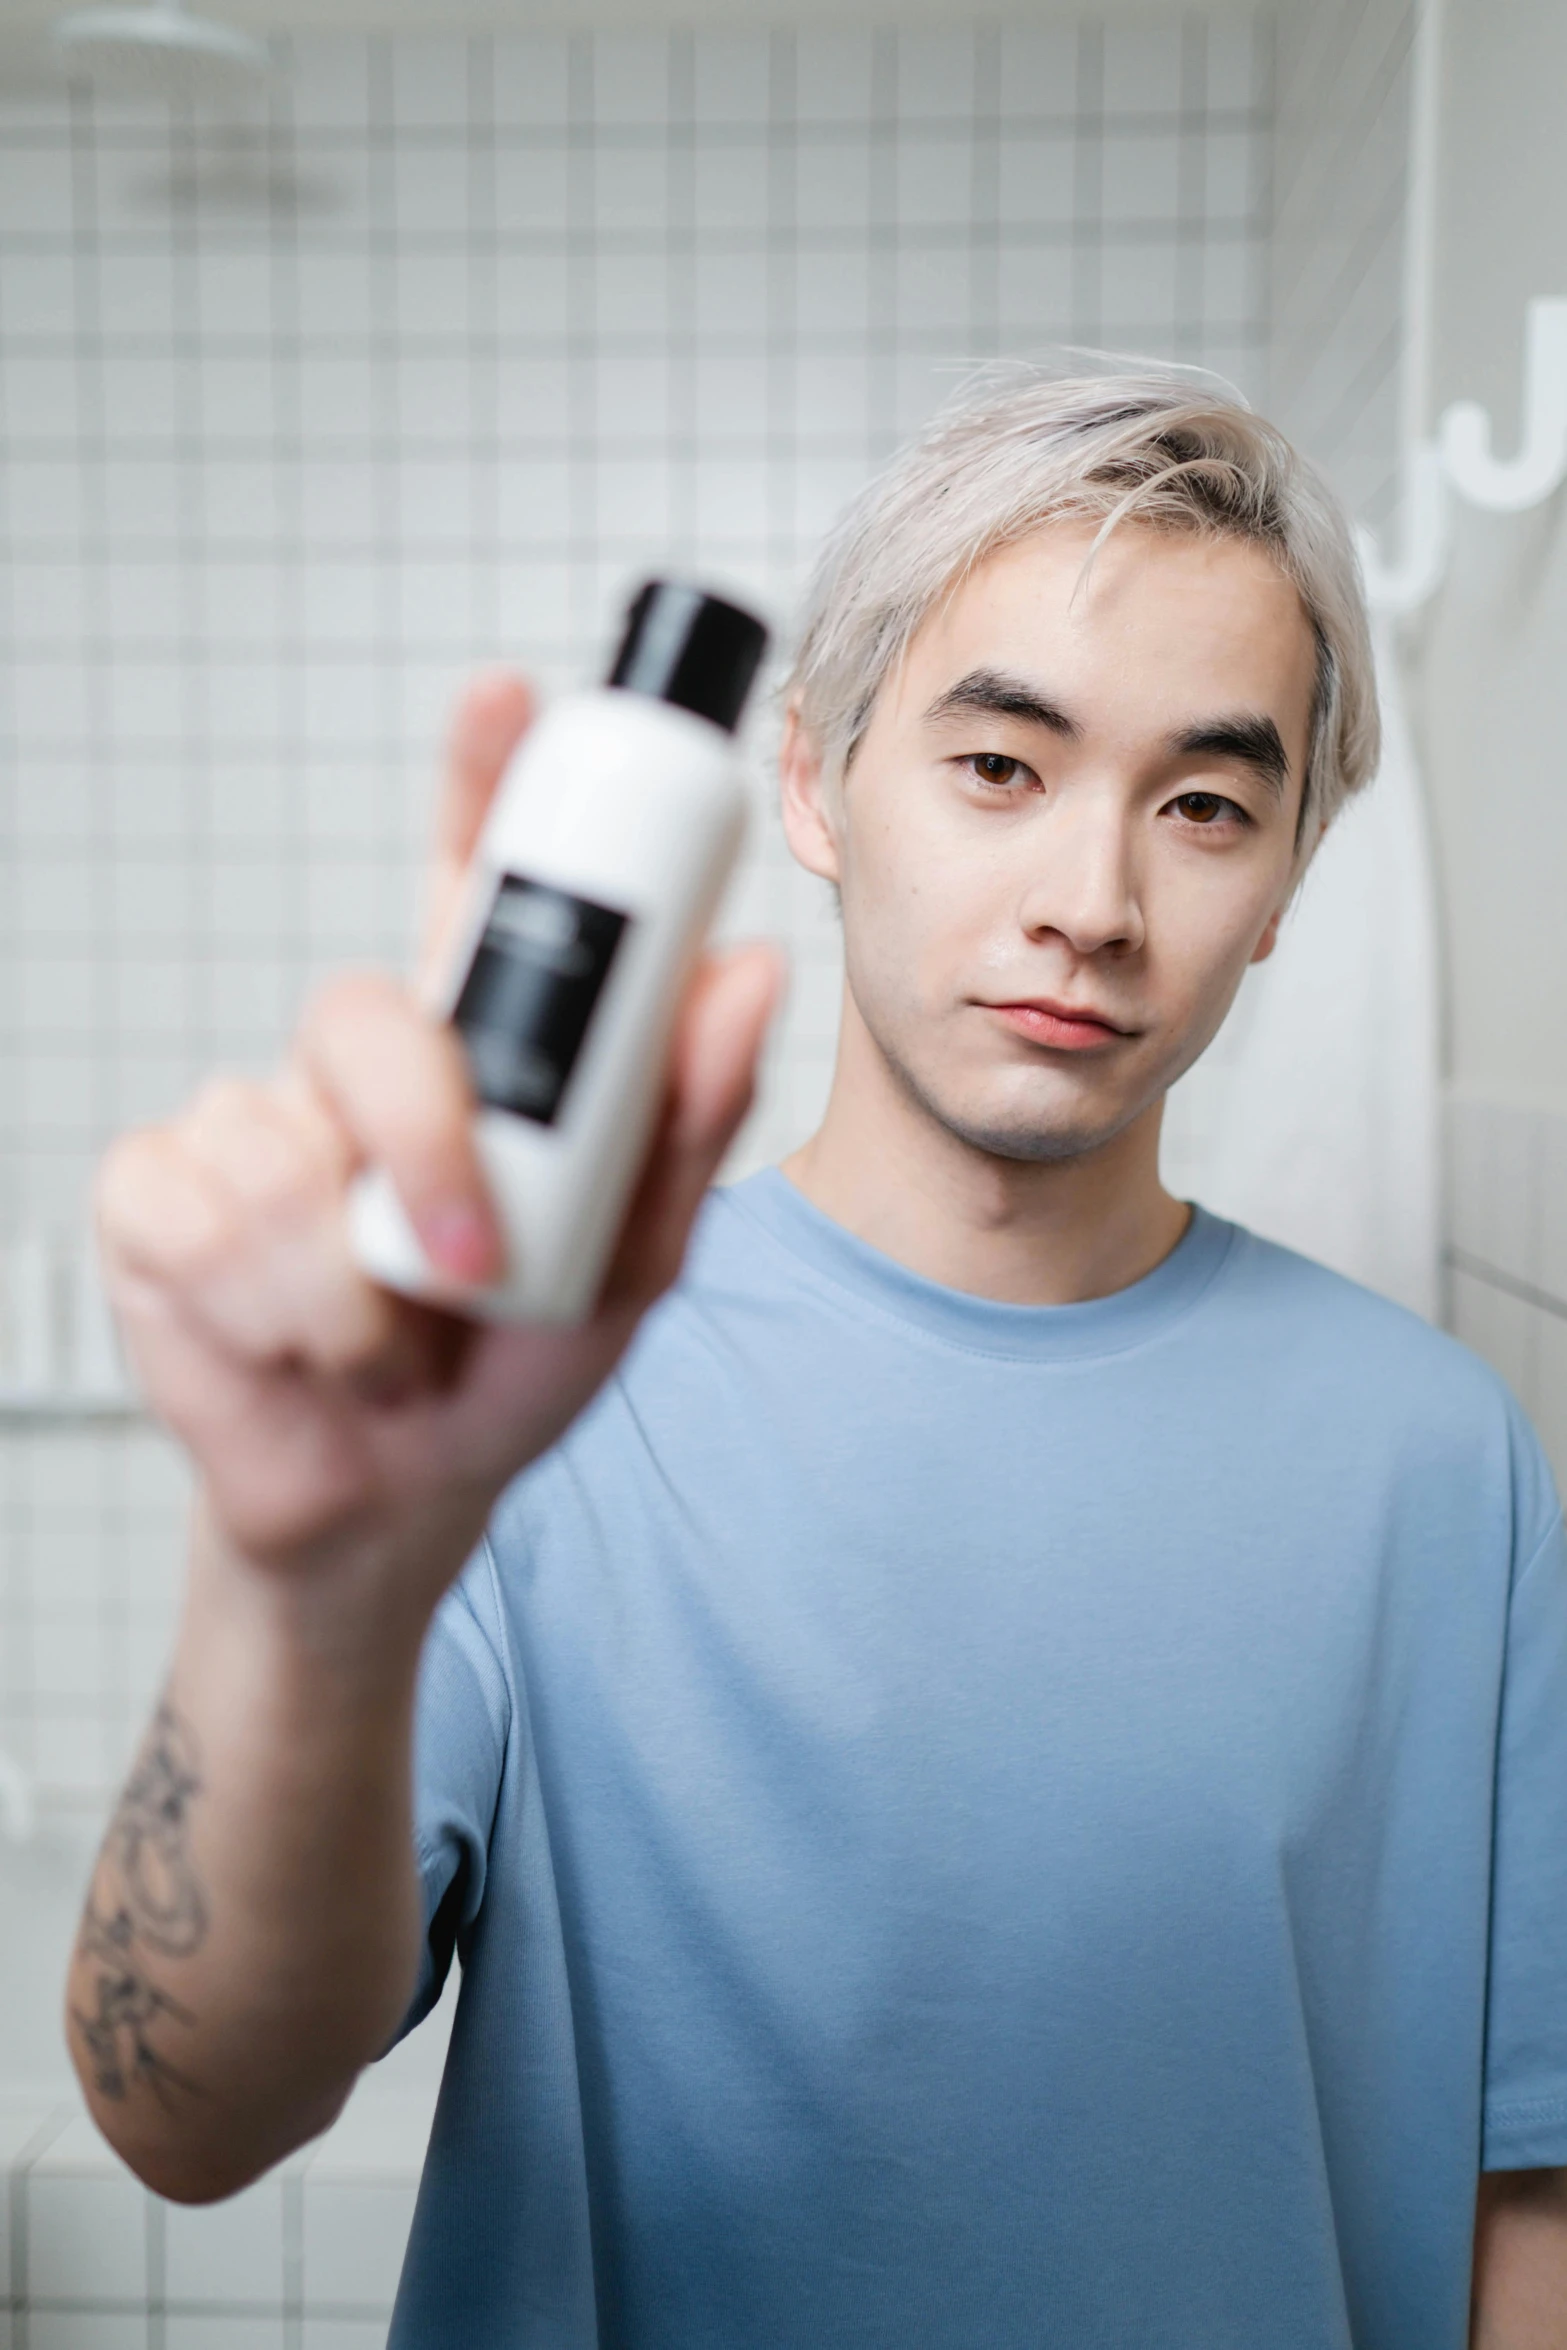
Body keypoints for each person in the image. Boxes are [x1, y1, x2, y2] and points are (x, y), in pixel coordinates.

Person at [66, 371, 1567, 2350]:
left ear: (1286, 878)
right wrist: (300, 1582)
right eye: (1002, 767)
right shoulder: (526, 1405)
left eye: (1204, 804)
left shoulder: (1443, 1460)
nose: (1092, 904)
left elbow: (1521, 2195)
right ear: (813, 781)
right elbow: (181, 2113)